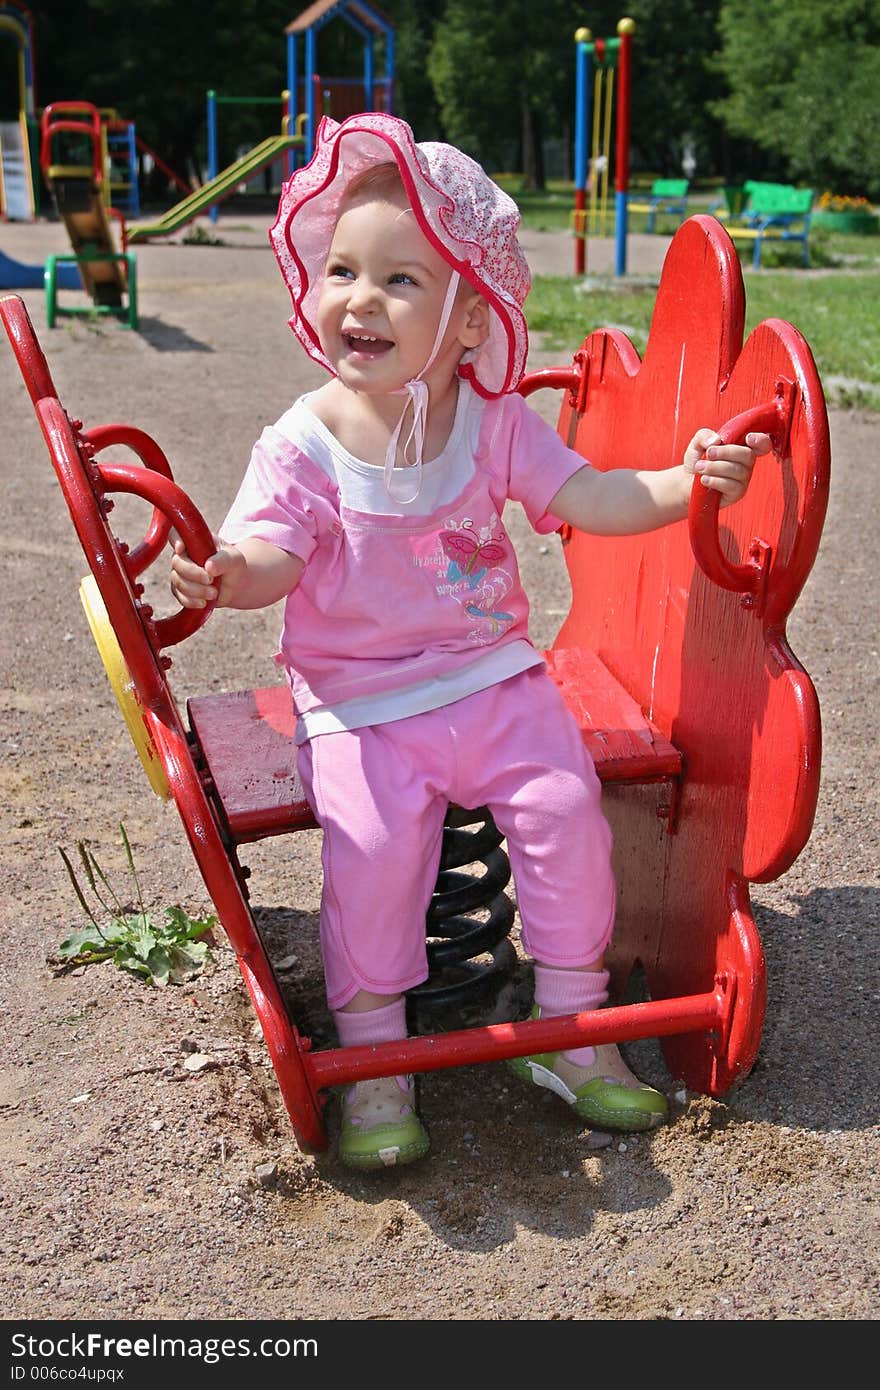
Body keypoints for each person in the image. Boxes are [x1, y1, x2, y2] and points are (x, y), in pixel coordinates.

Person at [170, 112, 771, 1172]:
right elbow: (269, 552)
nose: (360, 297)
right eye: (343, 269)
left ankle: (573, 1030)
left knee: (564, 807)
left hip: (490, 677)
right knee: (371, 850)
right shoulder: (301, 440)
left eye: (401, 280)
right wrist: (228, 576)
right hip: (359, 700)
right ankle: (374, 1061)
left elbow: (585, 492)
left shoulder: (489, 424)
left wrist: (683, 486)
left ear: (463, 322)